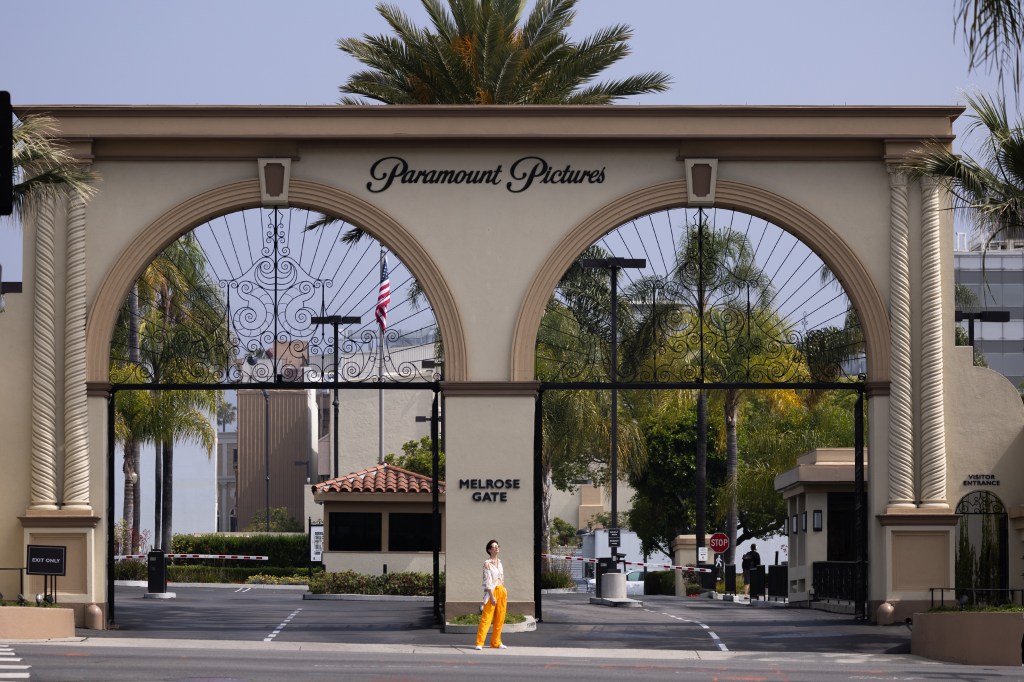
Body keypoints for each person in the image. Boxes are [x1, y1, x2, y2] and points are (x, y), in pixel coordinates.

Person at [474, 539, 508, 650]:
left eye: (497, 546)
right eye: (494, 546)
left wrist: (504, 590)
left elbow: (501, 578)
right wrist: (492, 596)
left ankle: (496, 642)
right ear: (489, 550)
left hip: (501, 590)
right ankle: (480, 642)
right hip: (491, 592)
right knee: (486, 618)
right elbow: (487, 581)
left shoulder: (500, 563)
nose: (496, 547)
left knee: (500, 618)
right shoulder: (487, 564)